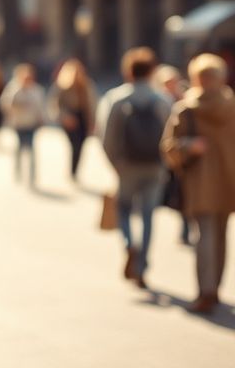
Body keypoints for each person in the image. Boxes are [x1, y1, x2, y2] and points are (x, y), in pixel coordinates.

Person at [161, 53, 235, 314]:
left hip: (200, 183)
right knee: (220, 236)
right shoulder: (231, 104)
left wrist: (188, 146)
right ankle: (214, 288)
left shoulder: (186, 108)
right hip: (229, 182)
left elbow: (169, 148)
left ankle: (206, 291)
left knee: (204, 236)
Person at [99, 47, 170, 290]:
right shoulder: (162, 100)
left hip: (127, 165)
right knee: (149, 216)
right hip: (154, 166)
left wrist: (115, 165)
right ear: (152, 71)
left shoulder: (117, 99)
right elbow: (171, 136)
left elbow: (107, 138)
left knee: (125, 210)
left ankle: (130, 243)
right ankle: (141, 266)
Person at [153, 64, 192, 245]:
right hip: (165, 154)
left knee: (183, 192)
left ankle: (185, 228)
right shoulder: (158, 101)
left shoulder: (186, 100)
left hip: (181, 156)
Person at [48, 58, 96, 181]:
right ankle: (72, 171)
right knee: (74, 145)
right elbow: (54, 104)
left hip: (82, 117)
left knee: (81, 145)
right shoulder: (62, 85)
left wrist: (92, 121)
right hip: (69, 116)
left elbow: (91, 104)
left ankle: (76, 170)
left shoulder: (86, 85)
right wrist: (64, 117)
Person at [0, 63, 46, 187]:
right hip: (18, 123)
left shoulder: (37, 90)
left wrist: (41, 119)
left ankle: (32, 176)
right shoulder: (13, 88)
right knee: (19, 148)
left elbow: (41, 107)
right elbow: (5, 104)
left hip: (32, 124)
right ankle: (18, 172)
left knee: (31, 149)